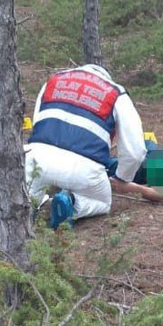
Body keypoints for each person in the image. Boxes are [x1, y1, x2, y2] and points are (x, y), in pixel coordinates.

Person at [24, 64, 147, 228]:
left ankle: (32, 207)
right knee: (102, 202)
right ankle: (71, 204)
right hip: (83, 167)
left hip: (34, 156)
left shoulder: (53, 81)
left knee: (28, 192)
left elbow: (38, 122)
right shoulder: (116, 93)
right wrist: (122, 178)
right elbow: (136, 151)